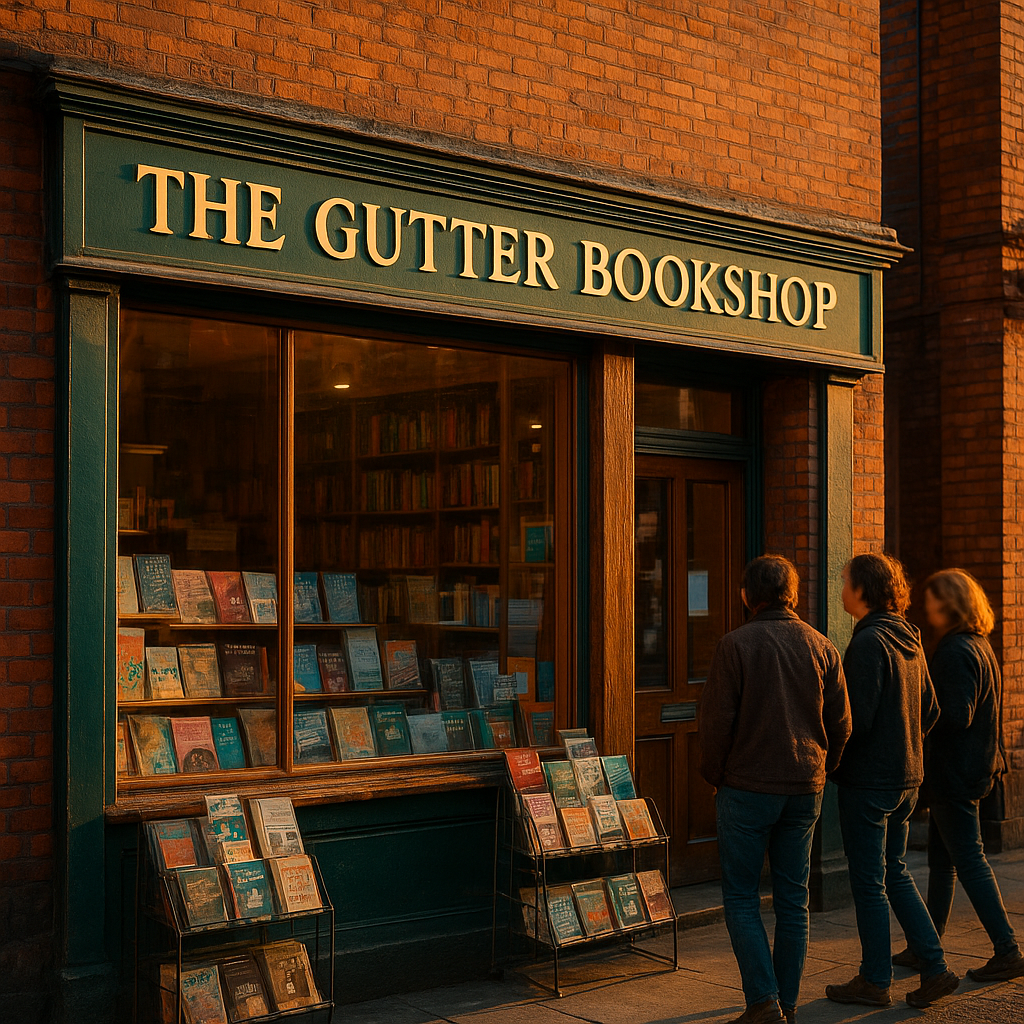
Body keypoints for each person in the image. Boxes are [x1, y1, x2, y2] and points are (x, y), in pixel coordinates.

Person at [699, 554, 852, 1024]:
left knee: (742, 898)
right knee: (793, 899)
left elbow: (716, 725)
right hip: (805, 787)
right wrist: (823, 768)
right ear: (793, 594)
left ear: (747, 595)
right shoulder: (822, 646)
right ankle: (785, 1003)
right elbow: (842, 725)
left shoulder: (735, 645)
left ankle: (764, 1003)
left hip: (746, 787)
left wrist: (716, 776)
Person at [826, 553, 958, 1010]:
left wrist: (832, 757)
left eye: (845, 581)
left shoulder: (867, 644)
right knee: (894, 872)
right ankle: (936, 968)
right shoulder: (909, 638)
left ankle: (874, 980)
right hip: (907, 779)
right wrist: (904, 745)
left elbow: (854, 720)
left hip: (869, 783)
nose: (841, 589)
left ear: (863, 589)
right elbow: (933, 710)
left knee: (869, 882)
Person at [891, 569, 1023, 980]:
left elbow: (956, 715)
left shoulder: (953, 652)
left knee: (968, 860)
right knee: (943, 860)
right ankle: (924, 943)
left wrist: (918, 709)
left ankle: (1007, 949)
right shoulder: (979, 645)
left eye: (930, 599)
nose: (924, 606)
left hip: (955, 774)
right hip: (973, 767)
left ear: (947, 604)